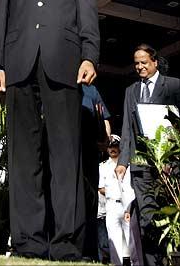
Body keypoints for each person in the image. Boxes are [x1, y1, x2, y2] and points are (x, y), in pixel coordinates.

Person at [0, 0, 100, 261]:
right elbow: (1, 19)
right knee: (23, 157)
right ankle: (27, 243)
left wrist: (89, 56)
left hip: (65, 65)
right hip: (19, 66)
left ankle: (66, 244)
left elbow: (88, 16)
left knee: (66, 156)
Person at [116, 43, 180, 266]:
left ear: (155, 62)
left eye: (144, 62)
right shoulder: (130, 91)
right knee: (147, 219)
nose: (140, 67)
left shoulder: (173, 85)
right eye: (136, 64)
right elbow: (126, 129)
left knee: (167, 218)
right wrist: (123, 161)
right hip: (140, 166)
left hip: (168, 167)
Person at [81, 83, 111, 260]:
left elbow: (104, 117)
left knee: (90, 200)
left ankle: (90, 254)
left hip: (90, 151)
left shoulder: (90, 89)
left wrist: (105, 139)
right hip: (64, 152)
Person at [99, 135, 134, 266]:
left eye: (115, 146)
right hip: (112, 205)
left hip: (126, 205)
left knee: (131, 239)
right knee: (113, 239)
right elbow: (100, 187)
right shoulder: (102, 166)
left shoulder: (127, 165)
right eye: (110, 146)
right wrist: (112, 193)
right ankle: (116, 264)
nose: (112, 149)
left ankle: (132, 262)